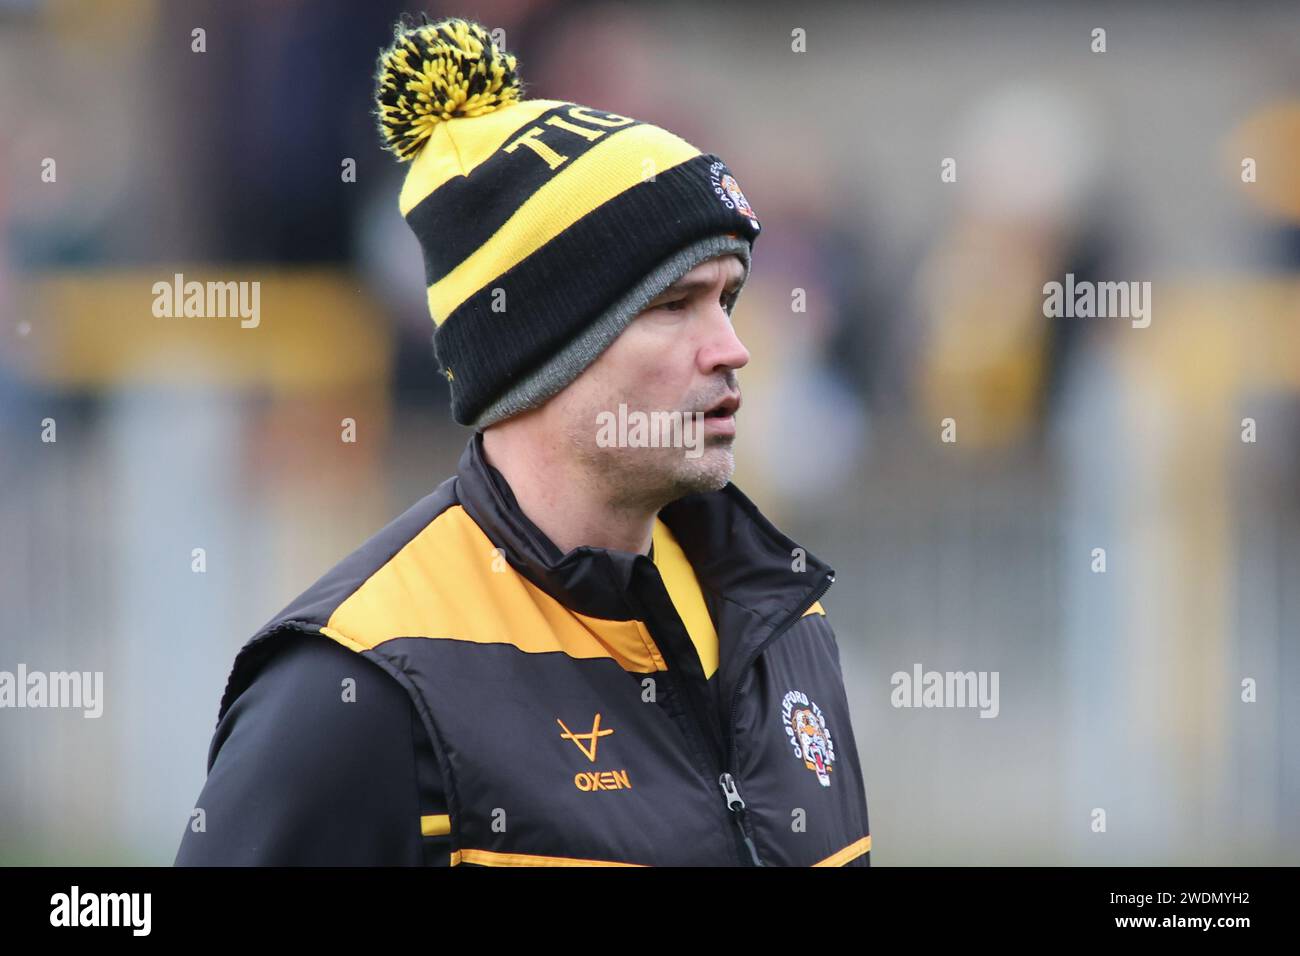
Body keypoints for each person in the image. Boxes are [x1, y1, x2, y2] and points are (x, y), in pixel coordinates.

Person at [176, 14, 871, 867]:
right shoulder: (359, 686)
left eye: (726, 299)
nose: (731, 346)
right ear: (544, 350)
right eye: (673, 304)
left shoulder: (783, 626)